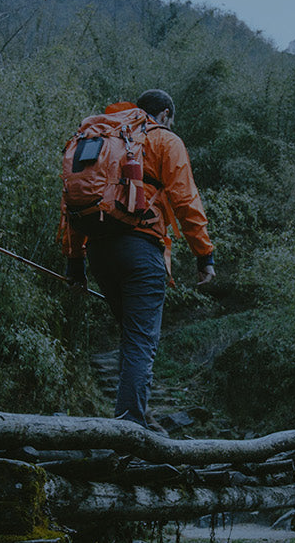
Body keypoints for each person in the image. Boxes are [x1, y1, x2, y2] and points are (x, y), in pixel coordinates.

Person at [61, 89, 217, 433]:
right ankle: (130, 428)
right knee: (141, 341)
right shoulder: (163, 139)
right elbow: (185, 201)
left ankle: (138, 415)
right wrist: (204, 255)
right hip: (141, 250)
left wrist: (75, 263)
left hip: (99, 252)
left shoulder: (99, 138)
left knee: (132, 337)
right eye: (170, 120)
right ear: (163, 115)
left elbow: (70, 204)